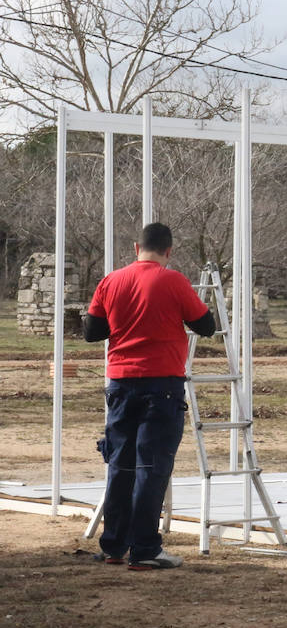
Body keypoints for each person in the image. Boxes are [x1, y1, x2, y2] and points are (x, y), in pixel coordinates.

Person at [84, 223, 216, 570]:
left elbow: (91, 332)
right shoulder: (173, 281)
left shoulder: (111, 281)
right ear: (168, 251)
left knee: (120, 465)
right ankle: (145, 549)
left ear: (135, 247)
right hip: (162, 385)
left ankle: (114, 545)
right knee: (151, 468)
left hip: (121, 382)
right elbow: (206, 326)